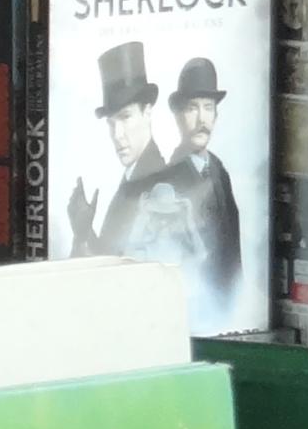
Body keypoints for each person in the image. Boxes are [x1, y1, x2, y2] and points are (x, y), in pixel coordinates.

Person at [64, 37, 200, 274]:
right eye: (111, 123)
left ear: (147, 112)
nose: (117, 135)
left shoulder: (161, 186)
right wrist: (83, 234)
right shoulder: (132, 180)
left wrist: (84, 237)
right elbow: (114, 261)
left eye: (125, 117)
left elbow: (135, 277)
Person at [165, 52, 243, 323]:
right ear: (178, 116)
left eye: (208, 107)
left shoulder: (219, 171)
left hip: (228, 311)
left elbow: (233, 251)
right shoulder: (168, 182)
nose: (202, 119)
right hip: (192, 315)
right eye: (192, 108)